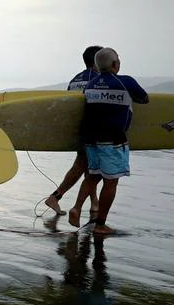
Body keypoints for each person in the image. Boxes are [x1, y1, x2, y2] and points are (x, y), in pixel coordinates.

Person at [68, 47, 149, 235]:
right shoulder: (125, 81)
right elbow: (144, 99)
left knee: (94, 176)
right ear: (115, 64)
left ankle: (77, 208)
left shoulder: (91, 84)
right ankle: (100, 224)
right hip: (113, 140)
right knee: (111, 182)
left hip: (90, 140)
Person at [42, 44, 104, 215]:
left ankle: (94, 203)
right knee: (84, 166)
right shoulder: (99, 79)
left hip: (77, 129)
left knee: (87, 166)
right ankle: (56, 197)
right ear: (98, 61)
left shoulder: (75, 80)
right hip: (92, 130)